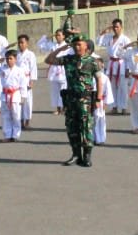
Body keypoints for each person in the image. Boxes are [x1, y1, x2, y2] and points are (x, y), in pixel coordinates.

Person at [45, 34, 106, 166]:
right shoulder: (68, 59)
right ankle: (76, 154)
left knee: (86, 127)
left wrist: (99, 98)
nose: (77, 47)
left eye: (80, 44)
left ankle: (87, 156)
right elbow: (49, 60)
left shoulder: (92, 62)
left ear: (85, 46)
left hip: (85, 99)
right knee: (72, 127)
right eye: (75, 45)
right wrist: (60, 49)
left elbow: (99, 80)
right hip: (71, 99)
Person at [97, 18, 132, 114]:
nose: (115, 29)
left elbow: (129, 55)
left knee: (123, 87)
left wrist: (128, 68)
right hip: (112, 64)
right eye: (114, 27)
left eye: (117, 27)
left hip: (122, 64)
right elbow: (98, 42)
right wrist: (104, 31)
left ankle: (124, 108)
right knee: (112, 87)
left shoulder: (125, 39)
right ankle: (114, 107)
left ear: (121, 27)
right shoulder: (109, 37)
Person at [0, 49, 30, 142]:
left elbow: (23, 84)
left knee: (16, 116)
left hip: (15, 95)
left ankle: (15, 135)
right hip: (5, 95)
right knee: (5, 116)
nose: (8, 60)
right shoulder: (2, 69)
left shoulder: (19, 70)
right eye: (7, 59)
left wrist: (23, 97)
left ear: (15, 59)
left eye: (10, 58)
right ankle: (7, 135)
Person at [37, 30, 68, 114]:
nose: (57, 37)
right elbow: (40, 45)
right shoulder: (53, 45)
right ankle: (58, 108)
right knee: (55, 91)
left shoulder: (67, 46)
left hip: (63, 69)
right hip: (54, 69)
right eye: (56, 35)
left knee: (64, 90)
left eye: (59, 35)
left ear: (63, 36)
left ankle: (65, 107)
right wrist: (47, 37)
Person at [15, 34, 38, 129]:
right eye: (19, 43)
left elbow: (33, 68)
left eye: (22, 42)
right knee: (19, 101)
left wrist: (32, 81)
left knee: (27, 102)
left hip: (27, 79)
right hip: (17, 80)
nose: (20, 45)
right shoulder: (15, 54)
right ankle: (20, 121)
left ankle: (27, 121)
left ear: (27, 43)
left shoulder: (30, 54)